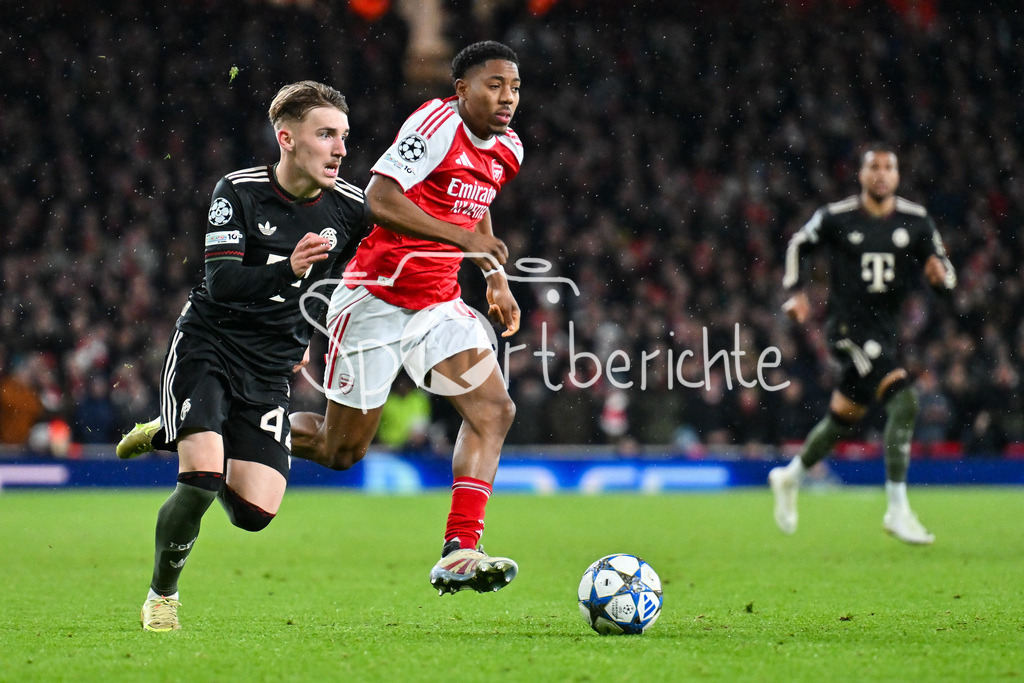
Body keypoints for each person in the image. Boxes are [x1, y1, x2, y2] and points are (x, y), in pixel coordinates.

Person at [116, 81, 372, 631]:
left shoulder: (351, 209)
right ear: (287, 138)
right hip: (211, 342)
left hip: (271, 362)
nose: (340, 149)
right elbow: (222, 281)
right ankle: (163, 597)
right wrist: (290, 270)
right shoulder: (238, 190)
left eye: (344, 137)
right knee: (203, 477)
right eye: (326, 134)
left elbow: (345, 280)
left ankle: (173, 428)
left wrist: (308, 328)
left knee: (255, 514)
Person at [288, 41, 524, 596]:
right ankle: (240, 424)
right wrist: (464, 239)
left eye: (514, 87)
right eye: (494, 85)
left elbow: (477, 199)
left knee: (493, 411)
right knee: (338, 451)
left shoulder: (508, 148)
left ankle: (461, 549)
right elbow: (379, 199)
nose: (508, 96)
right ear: (463, 89)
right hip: (375, 297)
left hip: (437, 303)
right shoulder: (435, 123)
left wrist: (494, 276)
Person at [769, 144, 956, 545]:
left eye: (889, 167)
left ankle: (790, 477)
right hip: (846, 332)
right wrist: (795, 290)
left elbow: (944, 271)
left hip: (886, 334)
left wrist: (943, 279)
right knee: (904, 401)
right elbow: (799, 243)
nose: (881, 174)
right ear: (861, 174)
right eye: (874, 166)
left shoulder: (917, 220)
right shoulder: (838, 218)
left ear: (898, 175)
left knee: (844, 417)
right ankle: (897, 509)